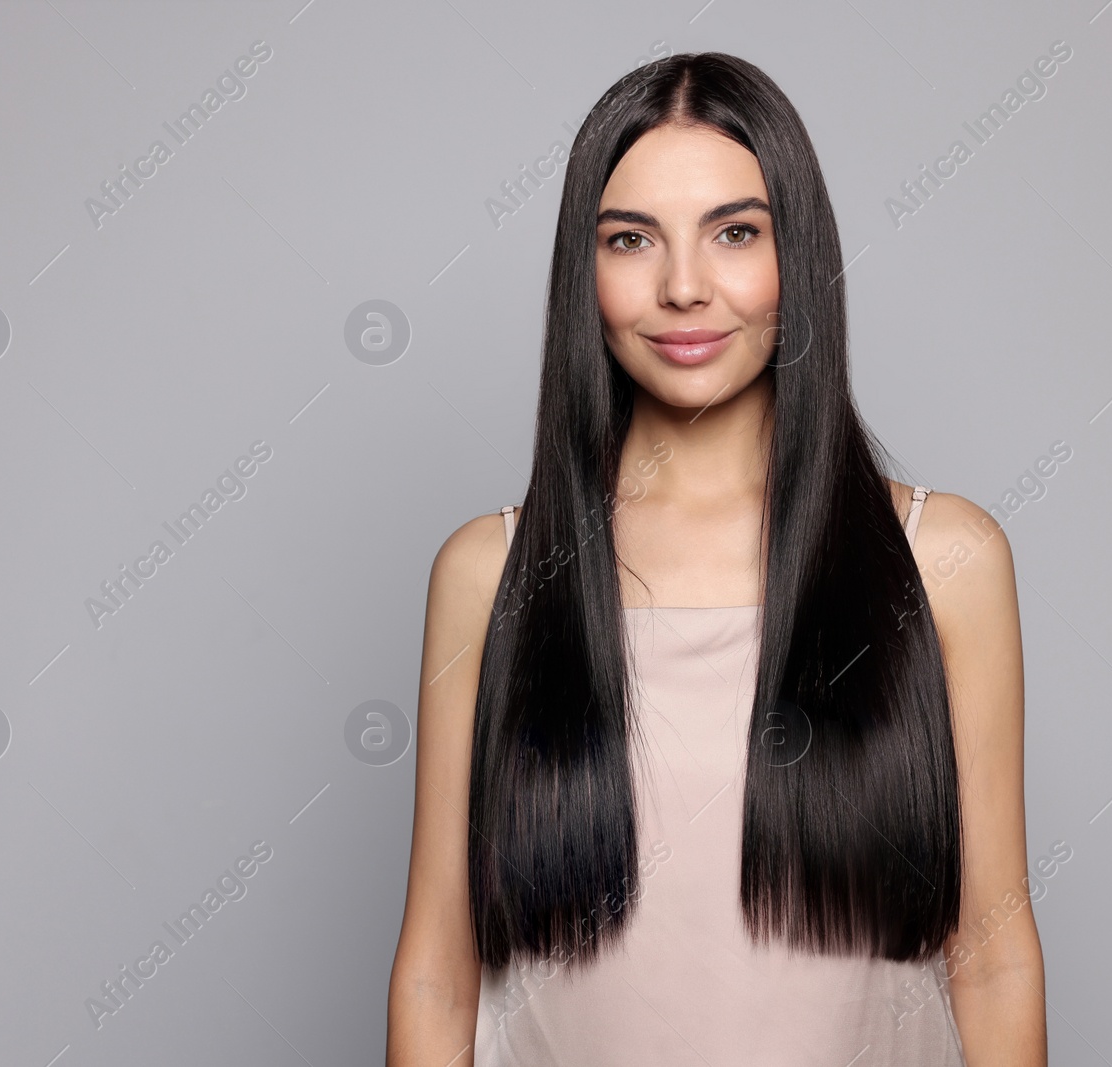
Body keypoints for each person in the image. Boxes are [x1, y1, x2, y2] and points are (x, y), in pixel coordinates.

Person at [388, 52, 1042, 1066]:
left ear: (800, 255)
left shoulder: (943, 559)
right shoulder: (490, 573)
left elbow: (992, 954)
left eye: (735, 232)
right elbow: (438, 963)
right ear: (583, 269)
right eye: (630, 239)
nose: (683, 287)